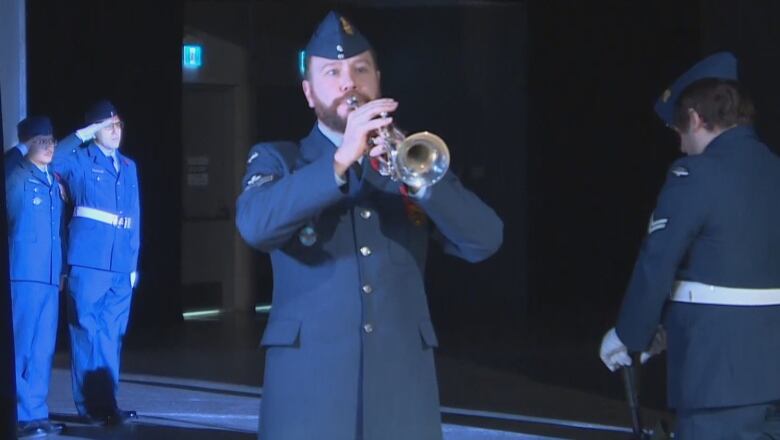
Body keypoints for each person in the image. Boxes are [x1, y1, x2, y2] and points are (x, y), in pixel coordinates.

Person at [236, 11, 503, 440]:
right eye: (333, 72)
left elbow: (485, 240)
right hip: (308, 393)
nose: (349, 83)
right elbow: (255, 226)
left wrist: (423, 184)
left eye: (361, 69)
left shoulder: (409, 161)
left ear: (378, 80)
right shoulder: (280, 159)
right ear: (309, 92)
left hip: (401, 392)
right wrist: (340, 161)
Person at [599, 52, 780, 439]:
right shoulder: (773, 170)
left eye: (679, 129)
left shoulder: (694, 174)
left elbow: (657, 262)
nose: (681, 146)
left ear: (697, 117)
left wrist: (630, 335)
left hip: (718, 381)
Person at [52, 100, 141, 425]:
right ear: (94, 131)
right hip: (89, 263)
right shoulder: (79, 161)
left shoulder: (128, 167)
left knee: (111, 335)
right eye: (108, 125)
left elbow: (134, 217)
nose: (116, 131)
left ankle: (108, 404)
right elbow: (53, 161)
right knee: (87, 334)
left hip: (119, 265)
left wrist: (132, 266)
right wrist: (84, 134)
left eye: (118, 125)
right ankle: (89, 406)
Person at [6, 116, 66, 437]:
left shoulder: (52, 181)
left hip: (49, 276)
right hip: (24, 274)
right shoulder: (16, 178)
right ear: (27, 143)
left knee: (43, 349)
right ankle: (15, 412)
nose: (49, 146)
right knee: (21, 347)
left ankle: (36, 413)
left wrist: (62, 269)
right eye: (41, 141)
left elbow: (58, 232)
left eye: (51, 140)